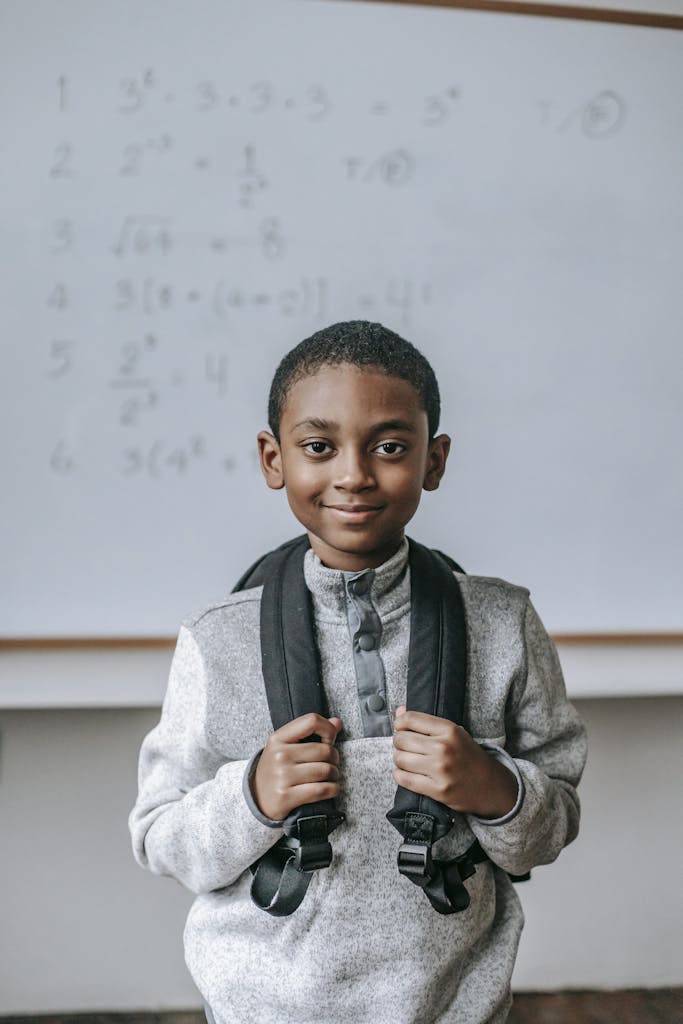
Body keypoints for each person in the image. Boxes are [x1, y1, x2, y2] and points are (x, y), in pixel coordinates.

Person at [129, 320, 587, 1024]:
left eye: (390, 447)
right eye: (318, 447)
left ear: (433, 462)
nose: (352, 473)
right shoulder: (216, 641)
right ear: (272, 457)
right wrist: (250, 795)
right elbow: (162, 838)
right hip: (262, 1005)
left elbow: (551, 825)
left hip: (451, 1002)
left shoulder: (502, 624)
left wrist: (494, 789)